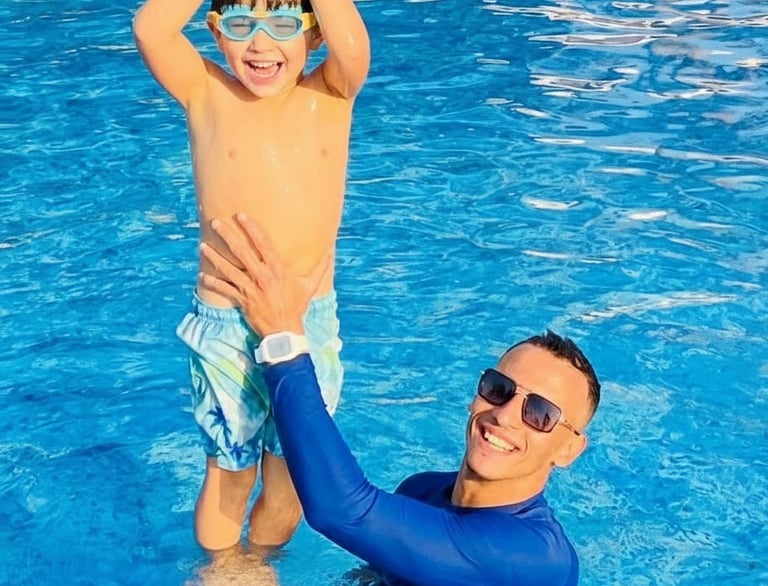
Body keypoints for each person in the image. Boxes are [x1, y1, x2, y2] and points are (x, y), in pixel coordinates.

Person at [198, 214, 602, 586]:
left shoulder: (533, 560)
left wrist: (281, 338)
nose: (506, 415)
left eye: (541, 414)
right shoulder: (421, 492)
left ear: (569, 448)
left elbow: (341, 510)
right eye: (500, 388)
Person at [132, 0, 370, 551]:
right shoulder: (206, 93)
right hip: (226, 325)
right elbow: (150, 28)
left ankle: (260, 563)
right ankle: (221, 572)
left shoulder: (330, 96)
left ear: (315, 36)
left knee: (292, 481)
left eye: (283, 26)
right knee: (230, 474)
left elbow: (354, 46)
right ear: (216, 33)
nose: (261, 43)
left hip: (308, 323)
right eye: (241, 25)